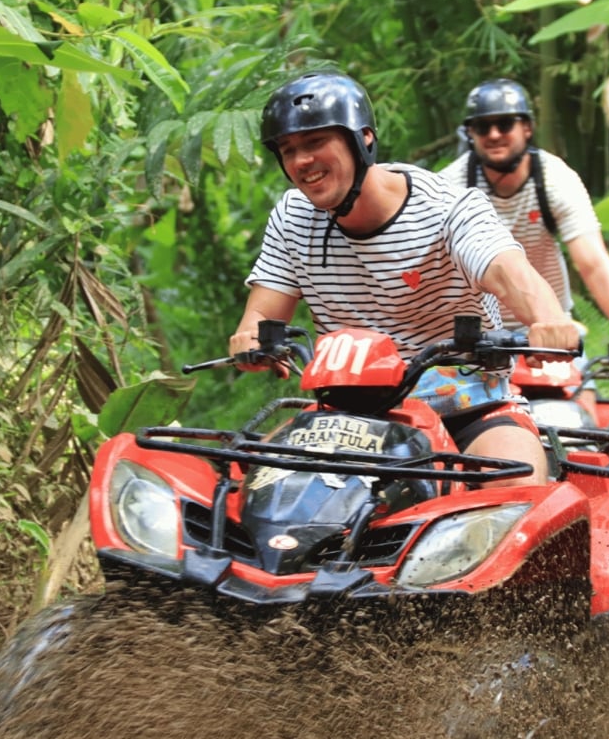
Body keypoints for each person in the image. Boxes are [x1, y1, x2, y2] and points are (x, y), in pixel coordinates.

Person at [229, 71, 583, 487]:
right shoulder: (293, 216)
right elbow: (260, 319)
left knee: (517, 487)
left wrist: (548, 319)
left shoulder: (448, 206)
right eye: (288, 150)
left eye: (315, 142)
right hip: (347, 415)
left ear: (364, 140)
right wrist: (251, 340)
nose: (301, 160)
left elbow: (508, 273)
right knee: (251, 490)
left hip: (470, 405)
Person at [439, 78, 609, 366]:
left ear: (527, 128)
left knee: (578, 401)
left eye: (505, 124)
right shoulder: (451, 186)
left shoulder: (555, 178)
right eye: (483, 127)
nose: (494, 134)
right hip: (476, 335)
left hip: (550, 326)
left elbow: (593, 263)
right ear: (470, 133)